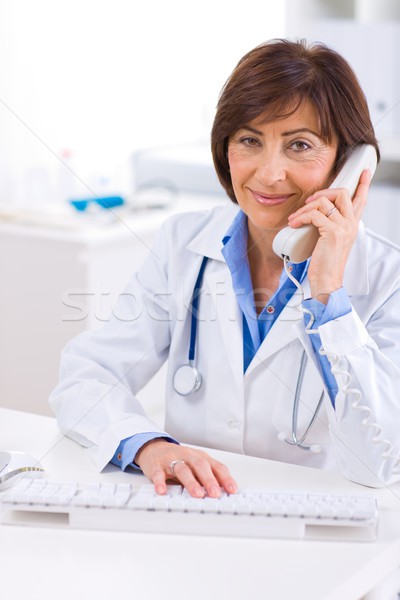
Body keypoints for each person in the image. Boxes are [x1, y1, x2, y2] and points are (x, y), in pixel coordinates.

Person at [50, 38, 400, 496]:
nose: (269, 174)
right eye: (250, 140)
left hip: (319, 530)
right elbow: (86, 377)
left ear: (349, 164)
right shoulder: (183, 244)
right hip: (195, 516)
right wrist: (148, 445)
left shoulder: (386, 276)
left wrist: (328, 293)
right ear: (224, 146)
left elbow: (382, 460)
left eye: (299, 145)